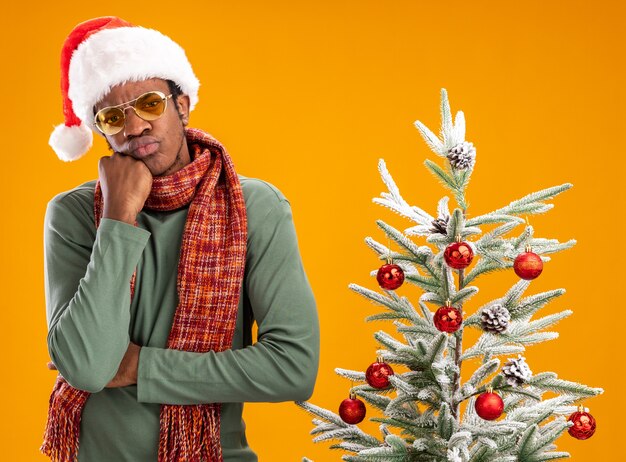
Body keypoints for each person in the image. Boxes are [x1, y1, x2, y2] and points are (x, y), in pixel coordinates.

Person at [41, 16, 319, 462]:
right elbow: (88, 367)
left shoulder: (254, 206)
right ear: (101, 131)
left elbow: (292, 367)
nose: (133, 128)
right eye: (112, 117)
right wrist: (118, 216)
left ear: (182, 104)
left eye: (149, 104)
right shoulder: (73, 215)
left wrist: (139, 367)